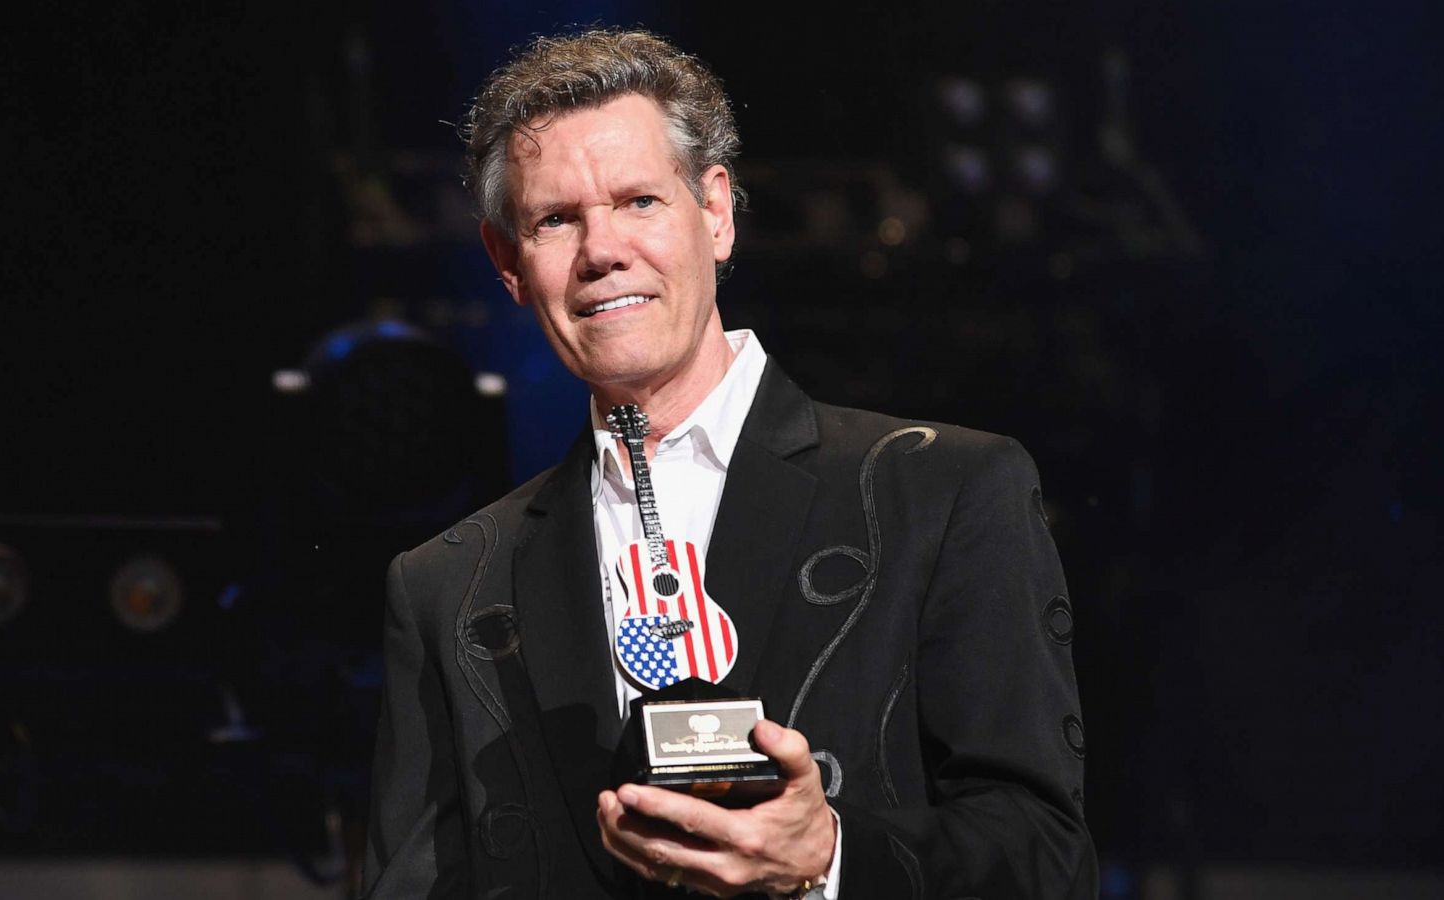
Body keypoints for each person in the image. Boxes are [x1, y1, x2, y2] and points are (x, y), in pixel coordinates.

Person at [362, 28, 1094, 899]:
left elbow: (1047, 861)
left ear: (716, 211)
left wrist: (828, 860)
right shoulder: (449, 585)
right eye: (556, 219)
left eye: (639, 201)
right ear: (508, 264)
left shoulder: (940, 493)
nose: (602, 252)